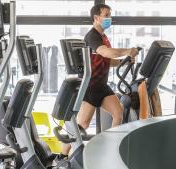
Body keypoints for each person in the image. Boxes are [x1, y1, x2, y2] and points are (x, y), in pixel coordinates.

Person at [55, 4, 139, 161]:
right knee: (82, 124)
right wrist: (127, 51)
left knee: (118, 112)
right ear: (96, 18)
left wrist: (126, 61)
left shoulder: (103, 37)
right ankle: (61, 157)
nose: (109, 18)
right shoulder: (92, 36)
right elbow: (106, 52)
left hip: (102, 86)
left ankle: (112, 149)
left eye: (110, 15)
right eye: (106, 15)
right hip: (91, 86)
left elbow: (109, 61)